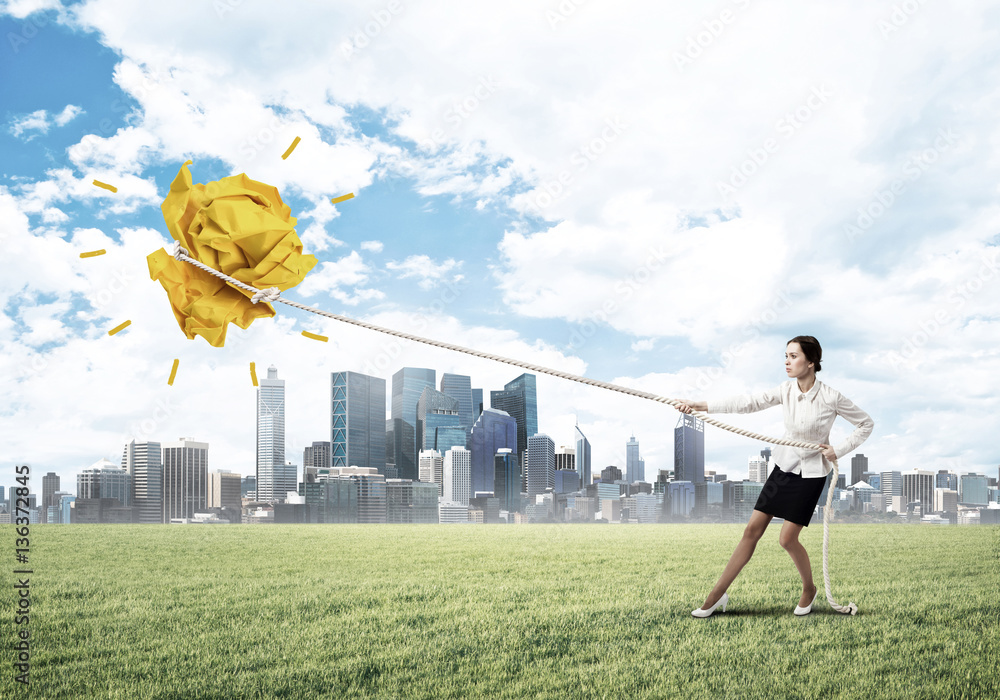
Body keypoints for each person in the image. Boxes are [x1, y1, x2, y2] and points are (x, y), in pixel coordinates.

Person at [679, 336, 873, 618]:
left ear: (812, 362)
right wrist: (700, 405)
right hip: (783, 470)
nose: (787, 361)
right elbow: (748, 403)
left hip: (811, 476)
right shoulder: (785, 390)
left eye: (793, 356)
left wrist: (839, 449)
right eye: (786, 355)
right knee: (751, 531)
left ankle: (809, 589)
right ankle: (715, 597)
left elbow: (866, 423)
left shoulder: (832, 397)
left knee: (786, 539)